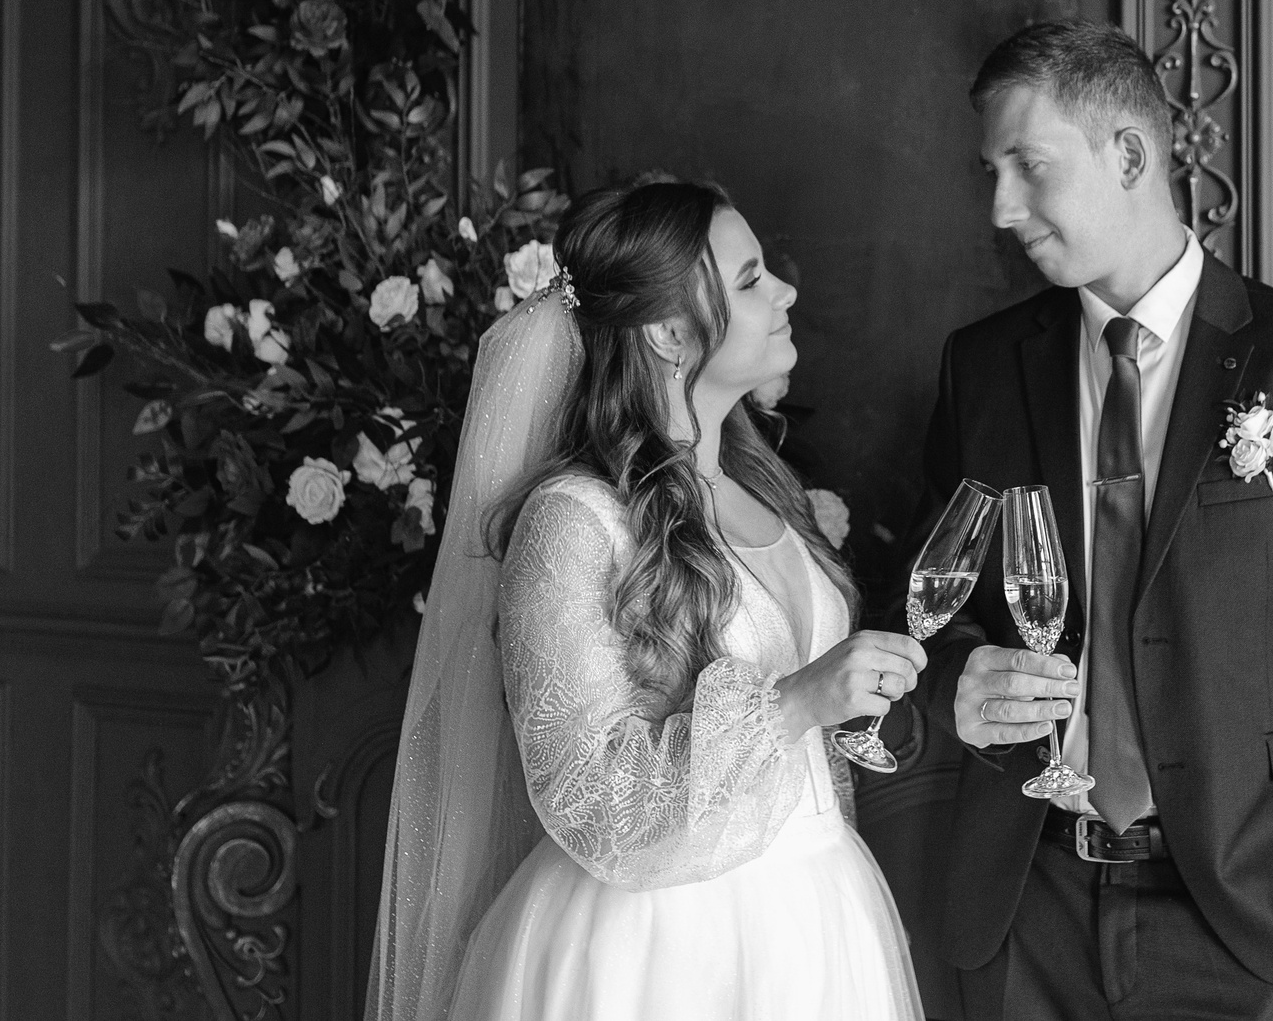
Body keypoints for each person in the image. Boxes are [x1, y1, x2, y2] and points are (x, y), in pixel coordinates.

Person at [881, 20, 1273, 1020]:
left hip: (1236, 924)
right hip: (1023, 907)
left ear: (1128, 155)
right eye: (993, 173)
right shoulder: (983, 367)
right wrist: (957, 682)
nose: (1001, 208)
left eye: (1028, 167)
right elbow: (925, 608)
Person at [366, 179, 927, 1021]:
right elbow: (588, 798)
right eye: (750, 280)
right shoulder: (575, 522)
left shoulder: (767, 489)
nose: (785, 292)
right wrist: (795, 703)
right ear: (668, 332)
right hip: (655, 951)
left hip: (816, 917)